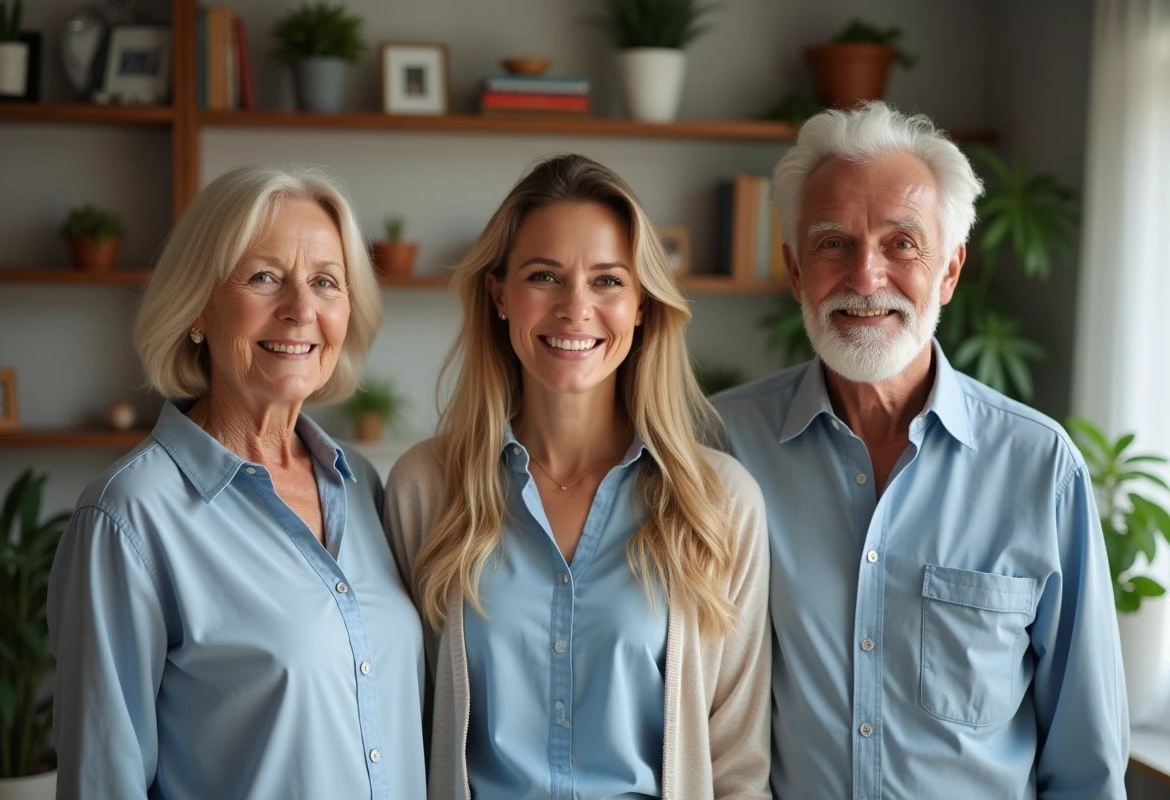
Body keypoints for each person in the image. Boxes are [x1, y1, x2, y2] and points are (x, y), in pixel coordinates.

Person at [712, 101, 1129, 799]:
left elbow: (1087, 764)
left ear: (949, 270)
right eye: (832, 243)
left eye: (901, 243)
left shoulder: (1039, 468)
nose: (866, 277)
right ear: (793, 270)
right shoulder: (719, 446)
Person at [384, 154, 771, 800]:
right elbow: (399, 735)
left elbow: (736, 766)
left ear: (643, 304)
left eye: (607, 281)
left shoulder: (721, 502)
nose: (575, 308)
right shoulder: (425, 489)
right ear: (499, 294)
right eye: (544, 276)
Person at [48, 166, 426, 799]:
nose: (301, 309)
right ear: (198, 304)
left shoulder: (361, 484)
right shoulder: (128, 518)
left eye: (326, 282)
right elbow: (102, 785)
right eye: (264, 277)